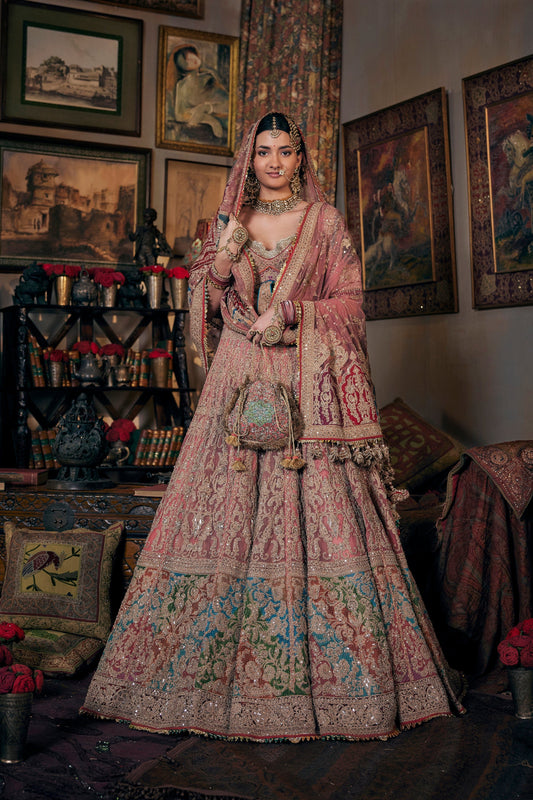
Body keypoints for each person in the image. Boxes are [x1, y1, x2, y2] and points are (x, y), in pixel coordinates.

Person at [82, 112, 465, 741]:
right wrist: (220, 260)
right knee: (221, 510)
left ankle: (334, 685)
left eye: (286, 152)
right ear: (248, 159)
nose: (275, 163)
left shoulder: (326, 223)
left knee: (322, 512)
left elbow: (351, 304)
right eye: (263, 152)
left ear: (301, 159)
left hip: (302, 382)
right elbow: (201, 311)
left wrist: (288, 312)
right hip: (236, 379)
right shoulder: (228, 225)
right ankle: (198, 681)